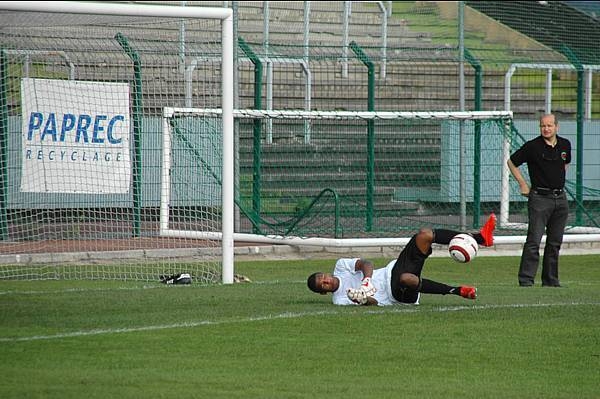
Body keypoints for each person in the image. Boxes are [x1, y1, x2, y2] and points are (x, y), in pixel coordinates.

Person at [306, 214, 496, 306]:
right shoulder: (339, 299)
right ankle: (458, 291)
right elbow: (373, 303)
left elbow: (366, 264)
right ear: (324, 292)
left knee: (423, 235)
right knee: (406, 279)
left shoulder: (340, 267)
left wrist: (366, 281)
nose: (326, 281)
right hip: (396, 295)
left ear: (326, 273)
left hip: (392, 270)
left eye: (323, 277)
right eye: (322, 285)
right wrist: (363, 299)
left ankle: (480, 238)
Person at [507, 113, 571, 287]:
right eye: (543, 125)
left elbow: (565, 165)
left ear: (557, 127)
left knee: (555, 242)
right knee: (534, 240)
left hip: (560, 199)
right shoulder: (532, 147)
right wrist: (523, 184)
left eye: (549, 125)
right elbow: (511, 162)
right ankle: (526, 280)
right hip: (539, 199)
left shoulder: (565, 145)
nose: (546, 128)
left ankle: (550, 280)